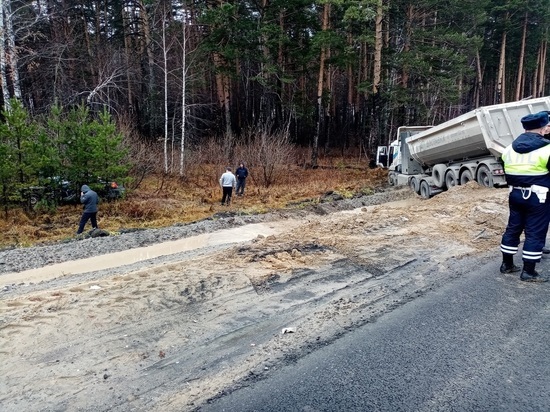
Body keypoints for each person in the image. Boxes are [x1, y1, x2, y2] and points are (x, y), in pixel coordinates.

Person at [500, 111, 550, 282]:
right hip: (538, 197)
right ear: (543, 129)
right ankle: (529, 272)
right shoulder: (547, 148)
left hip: (514, 195)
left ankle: (507, 264)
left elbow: (506, 170)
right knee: (535, 232)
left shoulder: (508, 148)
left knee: (513, 228)